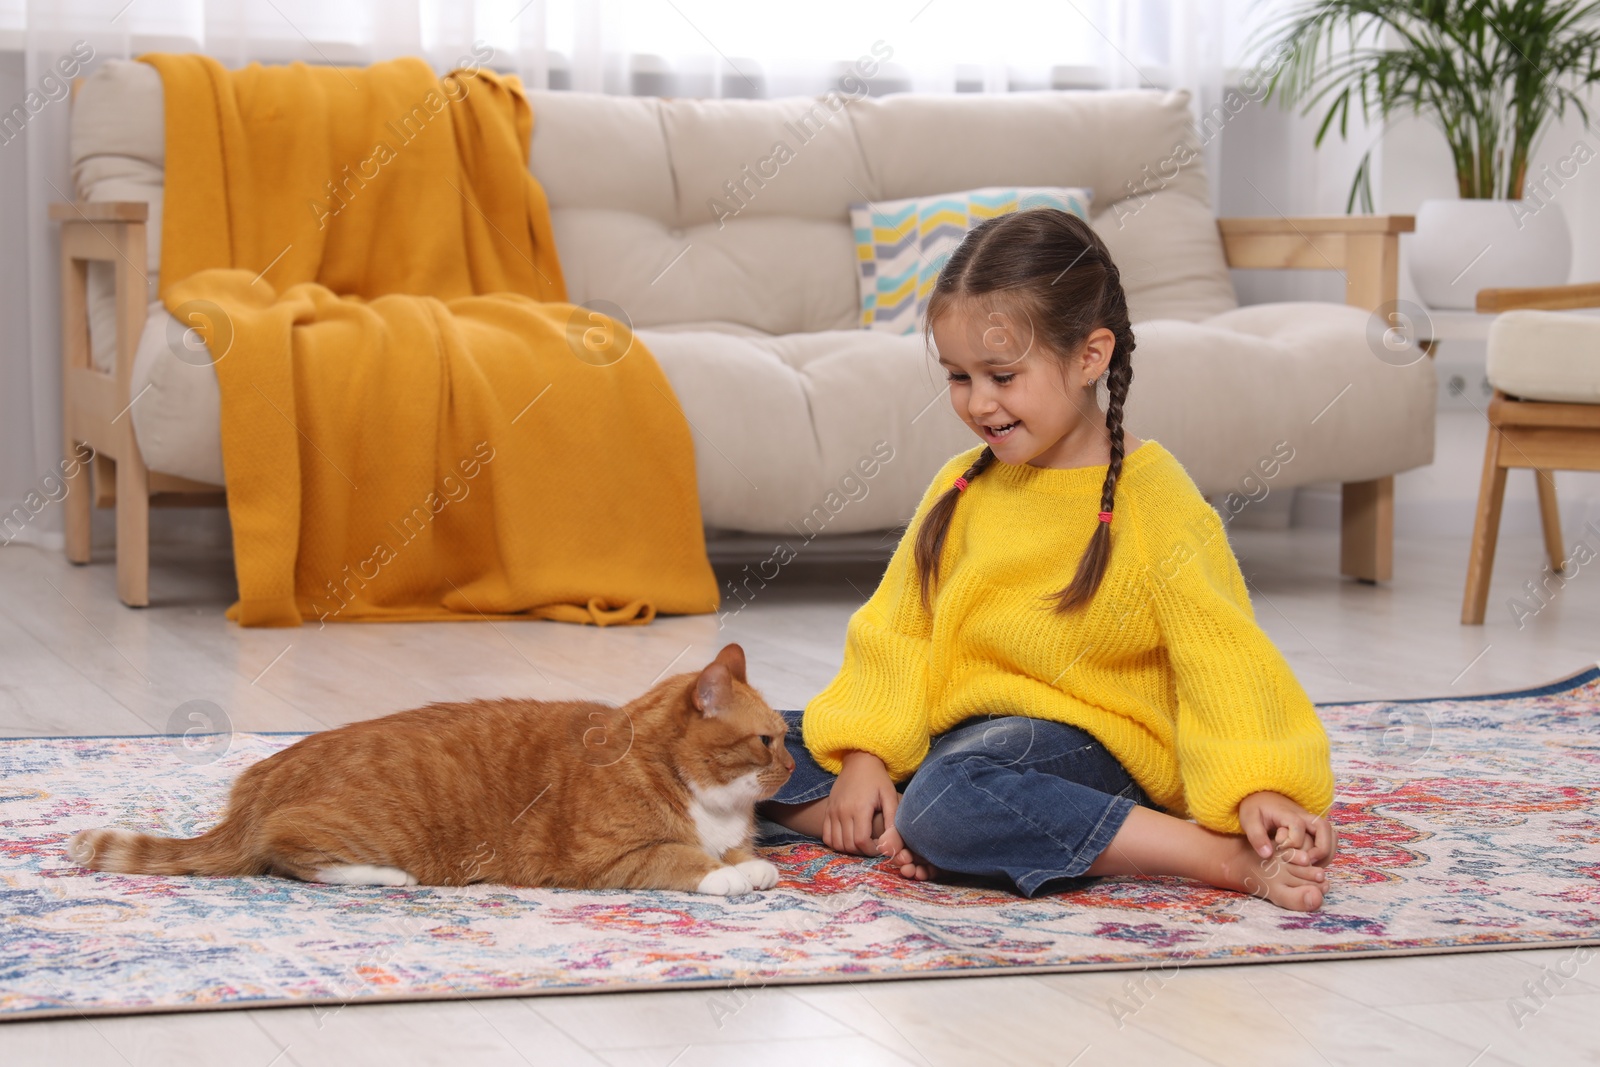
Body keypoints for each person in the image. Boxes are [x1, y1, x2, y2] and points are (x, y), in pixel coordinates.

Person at [759, 209, 1338, 911]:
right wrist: (864, 756)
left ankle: (1214, 857)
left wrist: (1260, 784)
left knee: (954, 792)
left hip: (1084, 753)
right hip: (960, 740)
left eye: (1002, 374)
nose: (979, 403)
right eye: (959, 376)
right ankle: (902, 825)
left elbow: (1225, 657)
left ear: (1090, 356)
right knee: (734, 745)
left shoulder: (1153, 498)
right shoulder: (960, 485)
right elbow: (896, 632)